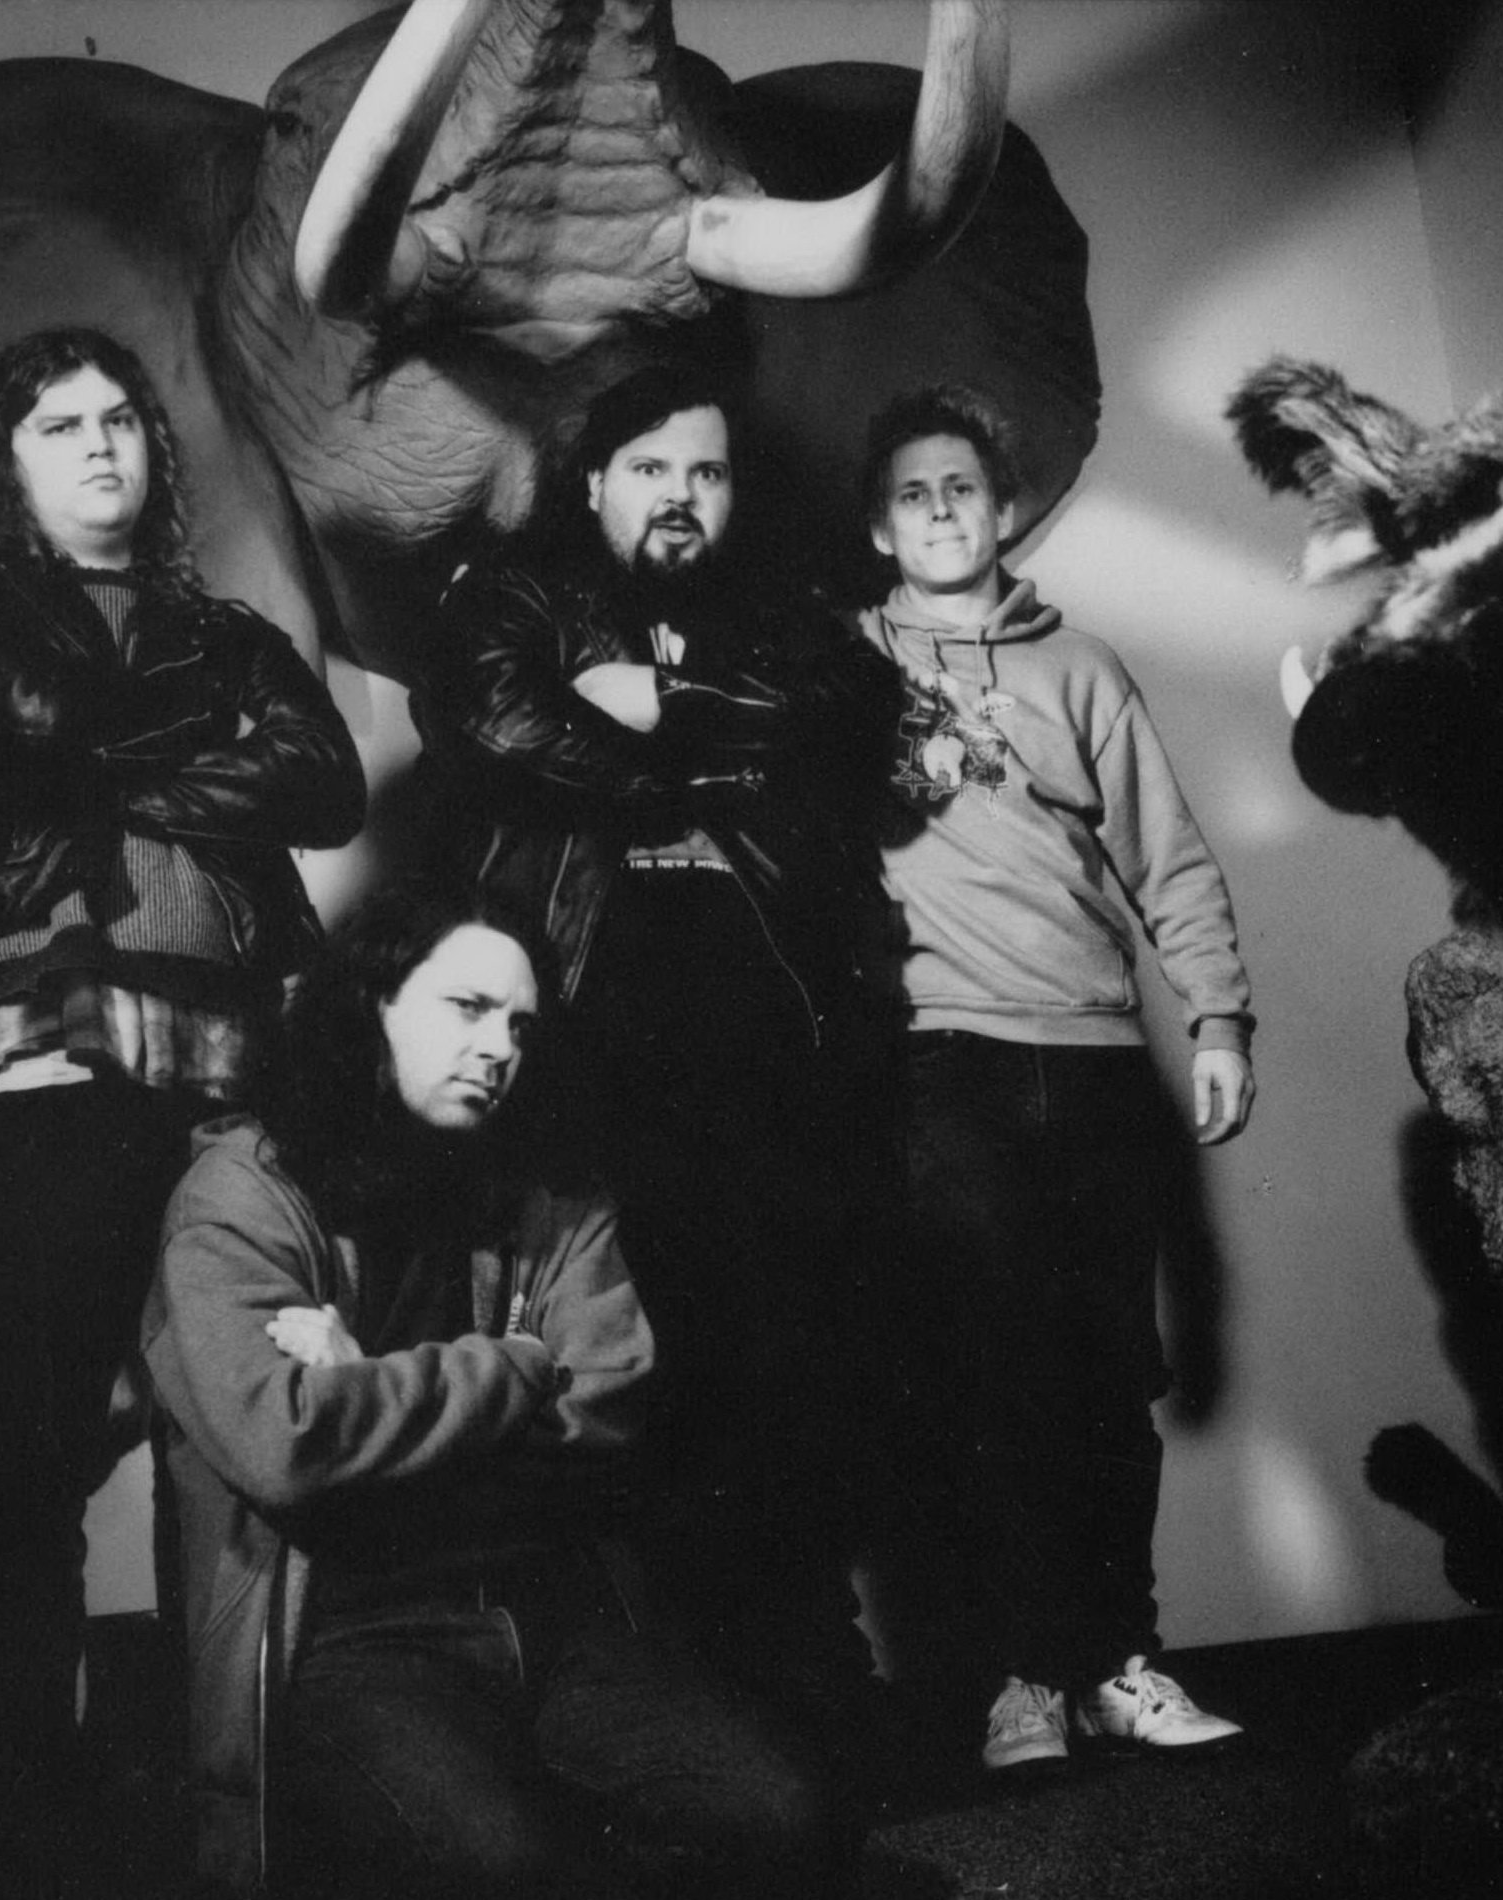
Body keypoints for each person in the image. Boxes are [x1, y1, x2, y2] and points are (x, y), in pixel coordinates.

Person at [0, 328, 365, 1848]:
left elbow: (327, 785)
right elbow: (43, 722)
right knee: (38, 1446)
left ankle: (211, 1813)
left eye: (120, 420)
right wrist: (206, 742)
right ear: (6, 463)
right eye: (59, 425)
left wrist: (114, 763)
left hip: (236, 1047)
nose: (100, 444)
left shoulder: (223, 626)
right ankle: (37, 1826)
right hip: (58, 1034)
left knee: (218, 1438)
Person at [142, 883, 854, 1898]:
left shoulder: (550, 1193)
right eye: (468, 1007)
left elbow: (607, 1406)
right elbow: (283, 1442)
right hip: (348, 1637)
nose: (498, 1049)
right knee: (499, 1865)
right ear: (372, 1005)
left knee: (787, 1812)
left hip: (547, 1614)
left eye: (519, 1024)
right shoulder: (243, 1191)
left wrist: (368, 1393)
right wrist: (517, 1365)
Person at [406, 365, 900, 1731]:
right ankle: (673, 1715)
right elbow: (495, 717)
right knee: (622, 1365)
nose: (681, 498)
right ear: (592, 483)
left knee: (783, 1361)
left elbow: (857, 710)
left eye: (707, 473)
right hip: (588, 1028)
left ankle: (812, 1699)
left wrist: (662, 694)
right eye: (651, 470)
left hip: (771, 1035)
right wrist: (711, 750)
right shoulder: (515, 595)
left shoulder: (776, 611)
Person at [854, 384, 1256, 1771]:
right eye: (912, 493)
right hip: (940, 1056)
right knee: (986, 1373)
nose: (941, 511)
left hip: (1093, 1057)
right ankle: (1018, 1679)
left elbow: (1169, 854)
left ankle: (1116, 1664)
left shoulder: (1080, 667)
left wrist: (1218, 1020)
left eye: (962, 487)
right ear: (879, 525)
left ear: (1007, 509)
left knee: (1105, 1376)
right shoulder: (845, 665)